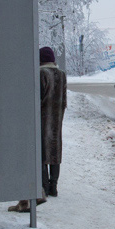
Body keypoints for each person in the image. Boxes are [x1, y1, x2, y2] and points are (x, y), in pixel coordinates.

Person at [39, 46, 66, 197]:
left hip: (42, 119)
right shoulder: (62, 75)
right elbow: (64, 100)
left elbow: (38, 98)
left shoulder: (41, 73)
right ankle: (54, 186)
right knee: (55, 152)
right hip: (57, 120)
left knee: (42, 151)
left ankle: (44, 186)